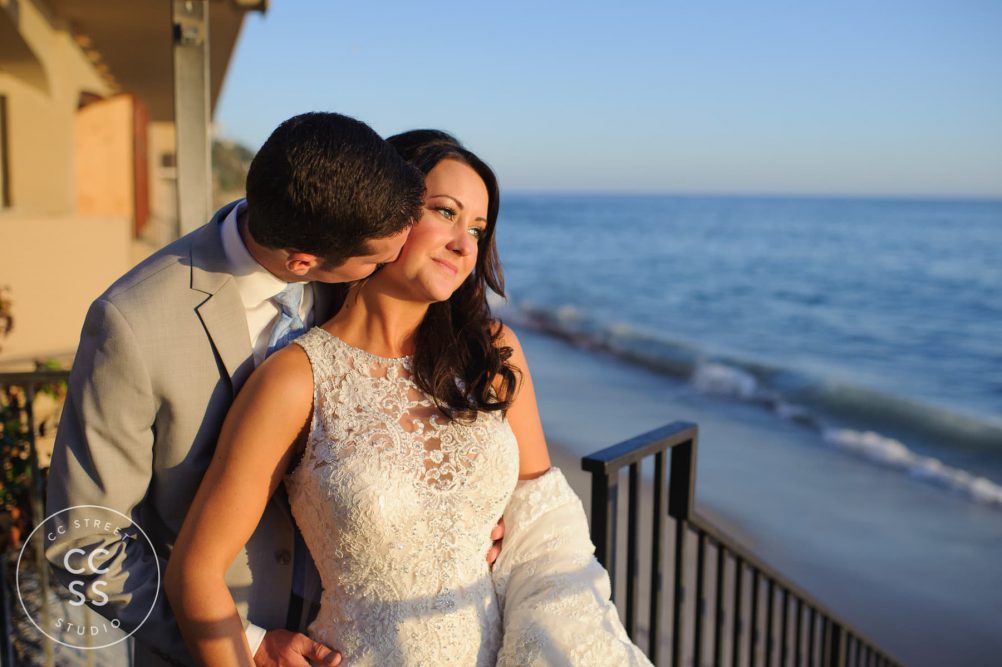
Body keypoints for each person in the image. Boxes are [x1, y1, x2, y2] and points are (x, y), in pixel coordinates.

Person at [166, 132, 651, 666]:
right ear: (385, 212)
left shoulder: (491, 354)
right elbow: (195, 572)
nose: (465, 245)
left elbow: (545, 526)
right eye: (445, 212)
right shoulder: (297, 379)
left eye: (478, 229)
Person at [46, 112, 443, 667]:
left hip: (360, 632)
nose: (389, 267)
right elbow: (84, 545)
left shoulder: (347, 286)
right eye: (376, 259)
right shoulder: (131, 323)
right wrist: (242, 642)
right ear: (303, 263)